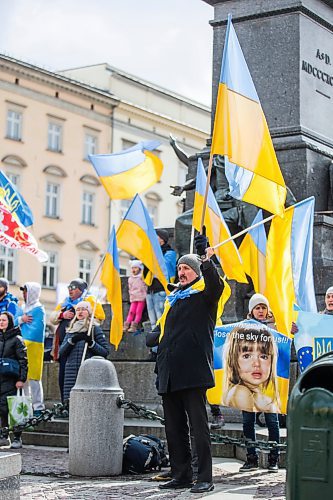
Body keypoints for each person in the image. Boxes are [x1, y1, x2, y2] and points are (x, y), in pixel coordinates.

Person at [153, 233, 224, 494]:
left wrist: (206, 260)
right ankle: (181, 474)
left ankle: (204, 477)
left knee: (198, 428)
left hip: (193, 373)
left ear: (196, 272)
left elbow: (215, 285)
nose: (181, 272)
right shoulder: (174, 299)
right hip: (170, 373)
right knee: (174, 428)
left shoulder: (205, 295)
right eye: (180, 268)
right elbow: (166, 336)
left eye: (186, 268)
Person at [231, 293, 280, 472]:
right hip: (248, 380)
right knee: (247, 420)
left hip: (268, 380)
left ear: (267, 311)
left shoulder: (276, 327)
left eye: (263, 308)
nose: (260, 311)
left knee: (272, 421)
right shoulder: (243, 329)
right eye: (257, 308)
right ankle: (251, 458)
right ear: (251, 310)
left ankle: (273, 458)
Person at [50, 278, 105, 403]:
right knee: (64, 377)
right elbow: (52, 318)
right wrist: (62, 315)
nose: (70, 290)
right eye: (69, 288)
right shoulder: (65, 302)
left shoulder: (89, 299)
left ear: (81, 289)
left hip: (83, 350)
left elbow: (100, 315)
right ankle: (65, 404)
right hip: (66, 343)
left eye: (73, 288)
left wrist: (79, 309)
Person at [58, 301, 110, 403]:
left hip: (88, 371)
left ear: (89, 312)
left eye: (83, 309)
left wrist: (91, 343)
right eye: (78, 309)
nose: (80, 312)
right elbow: (62, 352)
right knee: (71, 403)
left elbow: (105, 351)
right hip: (71, 373)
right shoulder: (71, 330)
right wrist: (72, 341)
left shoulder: (94, 328)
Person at [222, 326, 280, 413]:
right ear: (232, 360)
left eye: (263, 357)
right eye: (247, 356)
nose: (256, 364)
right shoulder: (241, 392)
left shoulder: (258, 394)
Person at [0, 311, 28, 449]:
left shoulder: (17, 339)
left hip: (11, 379)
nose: (1, 322)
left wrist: (21, 379)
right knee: (2, 409)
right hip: (1, 379)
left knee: (14, 409)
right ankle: (4, 436)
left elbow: (23, 360)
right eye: (0, 320)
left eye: (3, 320)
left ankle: (17, 437)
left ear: (9, 321)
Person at [18, 282, 46, 417]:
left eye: (26, 291)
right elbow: (14, 323)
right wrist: (21, 320)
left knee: (34, 378)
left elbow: (36, 331)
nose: (24, 294)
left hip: (33, 347)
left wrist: (22, 342)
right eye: (23, 291)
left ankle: (38, 407)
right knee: (23, 378)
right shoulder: (23, 307)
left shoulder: (39, 309)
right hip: (22, 347)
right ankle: (26, 408)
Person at [144, 229, 176, 329]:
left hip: (161, 289)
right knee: (153, 322)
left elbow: (163, 266)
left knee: (161, 320)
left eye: (156, 236)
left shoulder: (170, 253)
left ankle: (161, 344)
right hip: (150, 290)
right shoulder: (153, 253)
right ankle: (155, 344)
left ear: (162, 239)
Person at [123, 260, 147, 333]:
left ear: (139, 269)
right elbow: (130, 288)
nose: (134, 270)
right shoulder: (130, 278)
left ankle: (134, 326)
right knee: (131, 311)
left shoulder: (142, 277)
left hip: (141, 298)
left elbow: (145, 286)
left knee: (138, 312)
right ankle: (126, 325)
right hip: (133, 298)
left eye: (136, 268)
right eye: (133, 268)